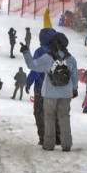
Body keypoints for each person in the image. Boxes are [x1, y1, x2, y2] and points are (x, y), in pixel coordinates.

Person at [21, 32, 78, 151]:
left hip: (50, 93)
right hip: (66, 94)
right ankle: (66, 144)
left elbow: (32, 66)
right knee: (64, 117)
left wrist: (26, 52)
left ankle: (49, 143)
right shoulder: (71, 59)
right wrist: (74, 89)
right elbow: (74, 77)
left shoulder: (48, 58)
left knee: (49, 117)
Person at [25, 11, 60, 146]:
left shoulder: (40, 52)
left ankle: (44, 136)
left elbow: (36, 70)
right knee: (54, 112)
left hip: (41, 88)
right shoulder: (58, 51)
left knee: (39, 112)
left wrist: (28, 82)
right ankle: (57, 136)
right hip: (56, 89)